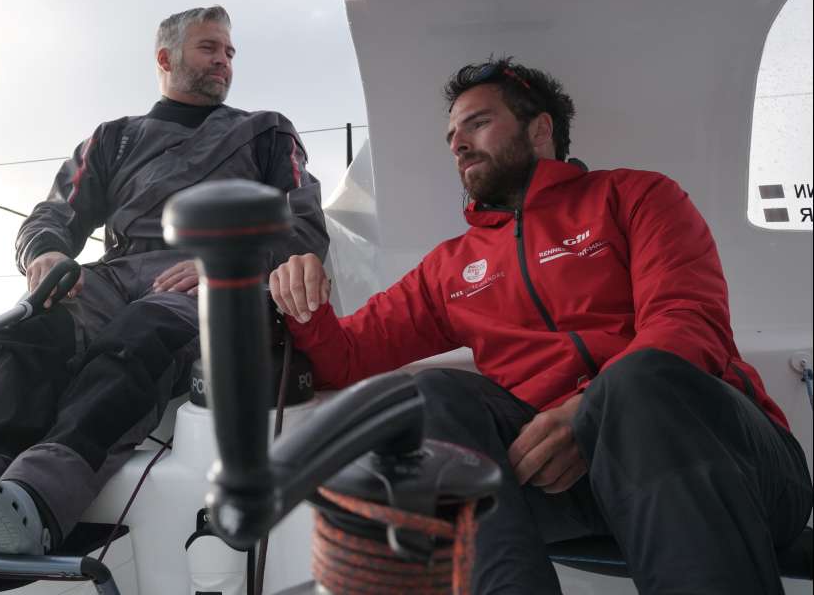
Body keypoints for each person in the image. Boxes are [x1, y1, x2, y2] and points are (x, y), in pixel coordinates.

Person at [269, 57, 812, 594]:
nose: (458, 143)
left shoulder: (635, 196)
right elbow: (344, 358)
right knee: (423, 398)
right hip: (566, 486)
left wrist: (589, 414)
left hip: (722, 463)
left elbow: (686, 322)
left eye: (477, 123)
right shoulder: (452, 267)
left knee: (638, 380)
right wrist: (303, 301)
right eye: (452, 134)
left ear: (541, 128)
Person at [0, 5, 328, 556]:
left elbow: (301, 219)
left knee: (138, 336)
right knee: (31, 329)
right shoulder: (113, 140)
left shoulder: (265, 130)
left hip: (208, 282)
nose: (224, 61)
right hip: (113, 274)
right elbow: (53, 216)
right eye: (209, 48)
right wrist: (45, 254)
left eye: (229, 52)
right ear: (166, 58)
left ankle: (37, 499)